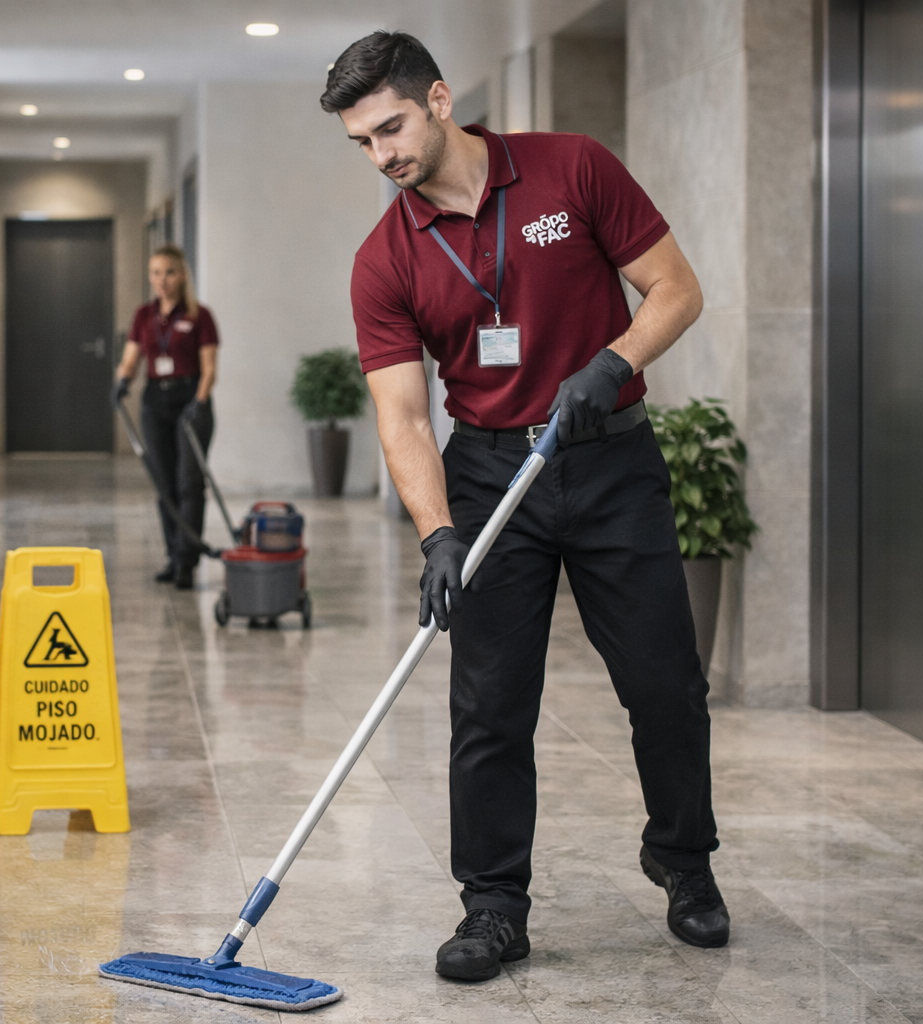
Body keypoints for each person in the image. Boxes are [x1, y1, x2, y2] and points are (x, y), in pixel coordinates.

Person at [321, 32, 728, 982]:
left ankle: (685, 861)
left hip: (611, 460)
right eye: (362, 143)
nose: (383, 156)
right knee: (491, 706)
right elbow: (403, 415)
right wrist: (436, 534)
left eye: (390, 127)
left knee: (665, 685)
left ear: (438, 97)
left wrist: (614, 362)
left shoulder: (571, 167)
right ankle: (494, 906)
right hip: (492, 472)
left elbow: (677, 289)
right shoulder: (384, 260)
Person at [113, 244, 219, 590]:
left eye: (169, 272)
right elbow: (131, 357)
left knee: (189, 483)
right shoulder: (144, 316)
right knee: (165, 484)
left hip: (191, 401)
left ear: (183, 275)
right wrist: (123, 380)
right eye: (156, 273)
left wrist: (199, 403)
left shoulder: (199, 316)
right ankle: (173, 556)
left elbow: (209, 369)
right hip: (155, 403)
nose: (162, 280)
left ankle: (187, 561)